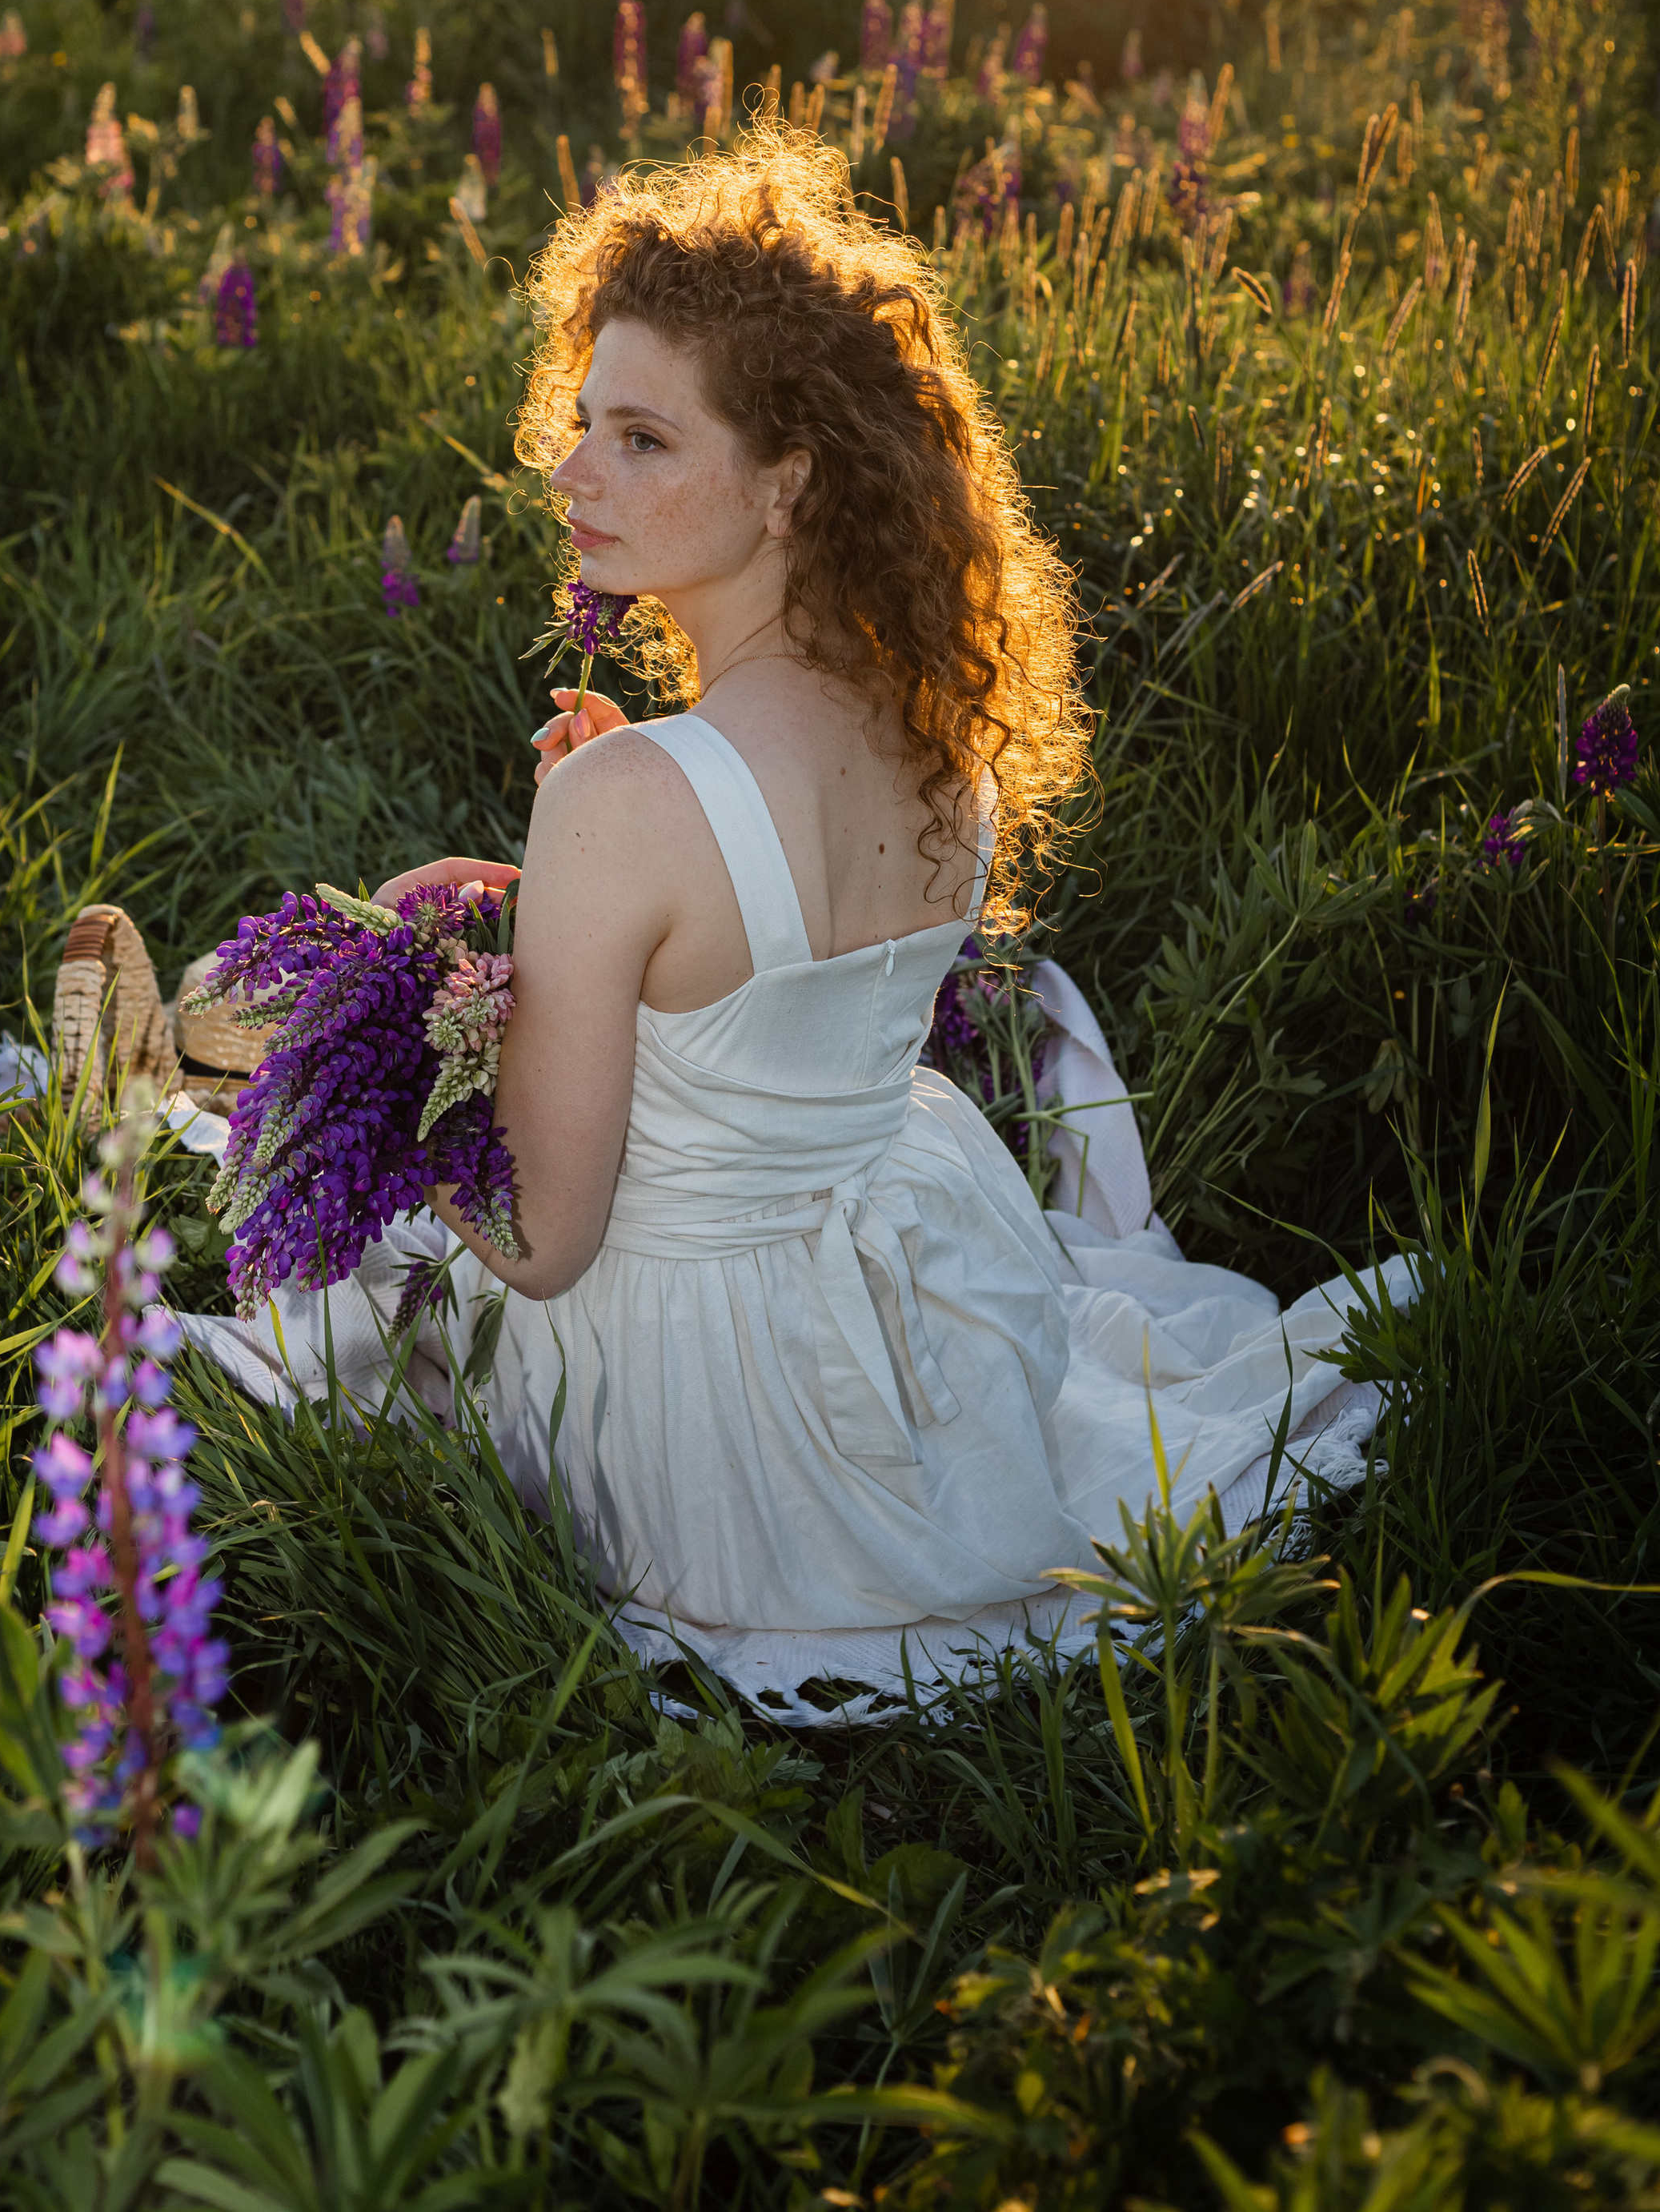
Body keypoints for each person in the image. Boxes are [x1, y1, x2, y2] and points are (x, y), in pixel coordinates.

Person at [182, 132, 1413, 1720]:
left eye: (638, 440)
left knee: (374, 1258)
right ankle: (187, 1078)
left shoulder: (630, 799)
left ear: (786, 481)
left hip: (709, 1432)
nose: (572, 478)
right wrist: (557, 900)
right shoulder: (930, 730)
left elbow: (546, 1246)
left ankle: (188, 1082)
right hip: (901, 1315)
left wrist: (422, 1018)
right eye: (581, 429)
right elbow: (761, 973)